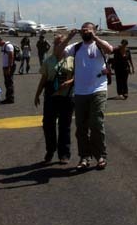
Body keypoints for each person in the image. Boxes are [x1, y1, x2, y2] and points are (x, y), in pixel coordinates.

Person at [60, 23, 113, 170]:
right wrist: (69, 37)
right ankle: (84, 157)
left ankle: (101, 155)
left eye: (88, 30)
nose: (86, 32)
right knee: (81, 127)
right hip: (80, 92)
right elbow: (58, 53)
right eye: (83, 30)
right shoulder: (76, 47)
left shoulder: (99, 45)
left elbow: (110, 50)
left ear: (94, 31)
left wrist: (94, 36)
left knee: (96, 122)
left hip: (98, 89)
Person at [34, 34, 74, 164]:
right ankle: (50, 150)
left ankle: (64, 154)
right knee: (48, 124)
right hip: (51, 94)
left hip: (66, 95)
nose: (58, 45)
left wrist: (70, 82)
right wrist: (37, 94)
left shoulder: (71, 60)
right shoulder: (48, 60)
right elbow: (43, 79)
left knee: (64, 126)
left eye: (60, 43)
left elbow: (77, 76)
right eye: (56, 43)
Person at [0, 36, 16, 104]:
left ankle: (10, 98)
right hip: (6, 66)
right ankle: (8, 97)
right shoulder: (4, 46)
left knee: (9, 82)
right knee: (7, 82)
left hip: (9, 67)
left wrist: (9, 67)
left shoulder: (8, 46)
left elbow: (11, 56)